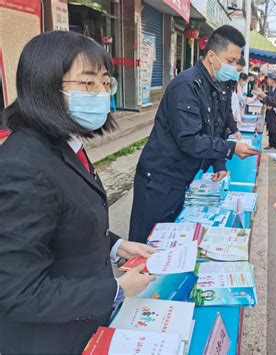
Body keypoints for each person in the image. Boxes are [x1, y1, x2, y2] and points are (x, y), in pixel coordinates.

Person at [0, 31, 156, 354]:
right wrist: (115, 289)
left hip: (81, 327)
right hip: (50, 341)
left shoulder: (65, 142)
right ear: (46, 86)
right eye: (88, 84)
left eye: (105, 82)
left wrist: (116, 245)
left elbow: (67, 216)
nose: (101, 94)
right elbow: (20, 292)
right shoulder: (22, 166)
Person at [129, 25, 258, 243]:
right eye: (230, 61)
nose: (234, 68)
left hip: (182, 174)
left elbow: (217, 127)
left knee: (168, 236)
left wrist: (219, 163)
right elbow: (189, 139)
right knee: (147, 241)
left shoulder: (219, 85)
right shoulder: (187, 86)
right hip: (161, 177)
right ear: (211, 56)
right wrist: (231, 148)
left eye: (237, 62)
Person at [256, 71, 276, 149]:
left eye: (269, 79)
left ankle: (275, 147)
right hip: (270, 115)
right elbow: (270, 100)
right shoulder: (272, 88)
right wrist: (262, 98)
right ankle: (271, 144)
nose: (267, 81)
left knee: (275, 132)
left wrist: (272, 106)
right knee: (270, 130)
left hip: (275, 115)